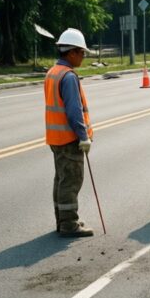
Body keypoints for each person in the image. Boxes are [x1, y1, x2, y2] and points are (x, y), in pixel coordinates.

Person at [44, 29, 95, 238]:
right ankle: (69, 224)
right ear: (72, 52)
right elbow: (74, 111)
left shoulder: (53, 72)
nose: (83, 56)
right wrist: (83, 136)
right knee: (71, 180)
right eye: (81, 52)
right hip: (68, 138)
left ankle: (62, 218)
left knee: (61, 179)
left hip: (55, 138)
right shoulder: (68, 76)